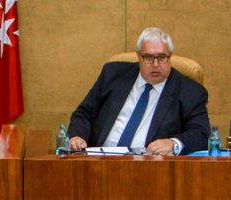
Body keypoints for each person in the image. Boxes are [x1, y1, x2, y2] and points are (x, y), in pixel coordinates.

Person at [68, 27, 210, 155]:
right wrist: (77, 136)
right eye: (148, 57)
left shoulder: (190, 92)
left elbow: (201, 134)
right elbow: (84, 113)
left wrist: (173, 143)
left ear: (170, 56)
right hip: (100, 161)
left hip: (148, 169)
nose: (155, 64)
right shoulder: (113, 75)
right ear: (138, 56)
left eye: (161, 57)